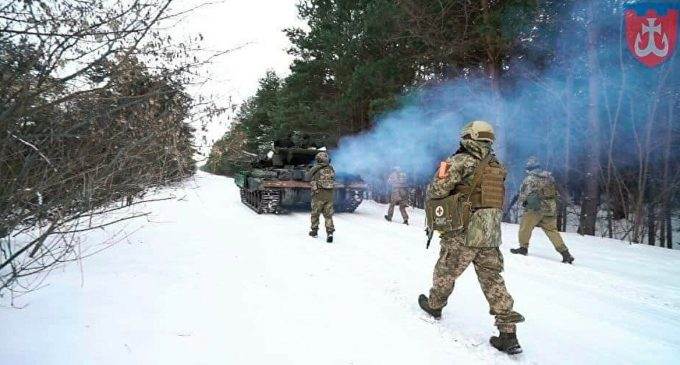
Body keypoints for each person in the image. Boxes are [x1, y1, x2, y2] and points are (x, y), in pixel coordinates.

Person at [419, 120, 525, 355]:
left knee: (446, 271)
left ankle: (434, 306)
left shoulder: (458, 161)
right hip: (490, 233)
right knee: (493, 281)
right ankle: (508, 334)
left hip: (463, 232)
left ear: (468, 136)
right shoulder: (497, 165)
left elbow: (436, 191)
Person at [510, 157, 574, 264]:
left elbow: (523, 194)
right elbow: (556, 193)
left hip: (535, 209)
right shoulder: (549, 177)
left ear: (529, 168)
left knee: (525, 228)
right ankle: (565, 254)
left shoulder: (530, 179)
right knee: (552, 231)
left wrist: (523, 201)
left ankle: (523, 248)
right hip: (550, 208)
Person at [307, 151, 335, 243]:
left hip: (318, 195)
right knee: (328, 215)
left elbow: (308, 177)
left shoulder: (315, 168)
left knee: (315, 214)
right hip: (329, 196)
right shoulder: (331, 168)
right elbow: (333, 179)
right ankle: (330, 232)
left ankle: (314, 231)